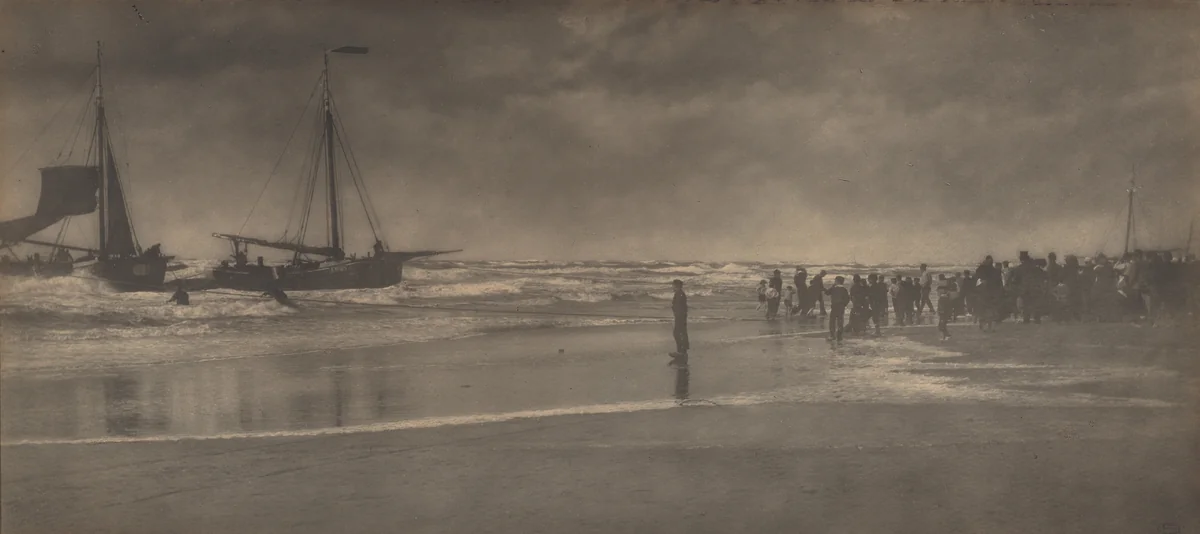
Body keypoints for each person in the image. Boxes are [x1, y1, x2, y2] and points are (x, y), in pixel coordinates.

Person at [670, 279, 689, 364]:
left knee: (678, 333)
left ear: (676, 286)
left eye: (673, 285)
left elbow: (680, 307)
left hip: (680, 317)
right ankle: (681, 351)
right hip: (680, 316)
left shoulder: (680, 294)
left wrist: (679, 316)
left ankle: (681, 352)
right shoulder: (680, 294)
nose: (672, 287)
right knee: (680, 333)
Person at [826, 276, 850, 344]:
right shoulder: (844, 289)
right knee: (840, 321)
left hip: (834, 306)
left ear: (837, 281)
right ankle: (839, 336)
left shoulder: (833, 288)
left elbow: (827, 293)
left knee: (832, 321)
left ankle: (832, 335)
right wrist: (844, 304)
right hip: (841, 306)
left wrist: (832, 286)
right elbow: (847, 298)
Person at [935, 274, 959, 340]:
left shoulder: (941, 296)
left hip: (943, 309)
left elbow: (941, 305)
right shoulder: (948, 294)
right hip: (947, 308)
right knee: (943, 323)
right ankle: (946, 335)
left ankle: (945, 335)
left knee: (941, 324)